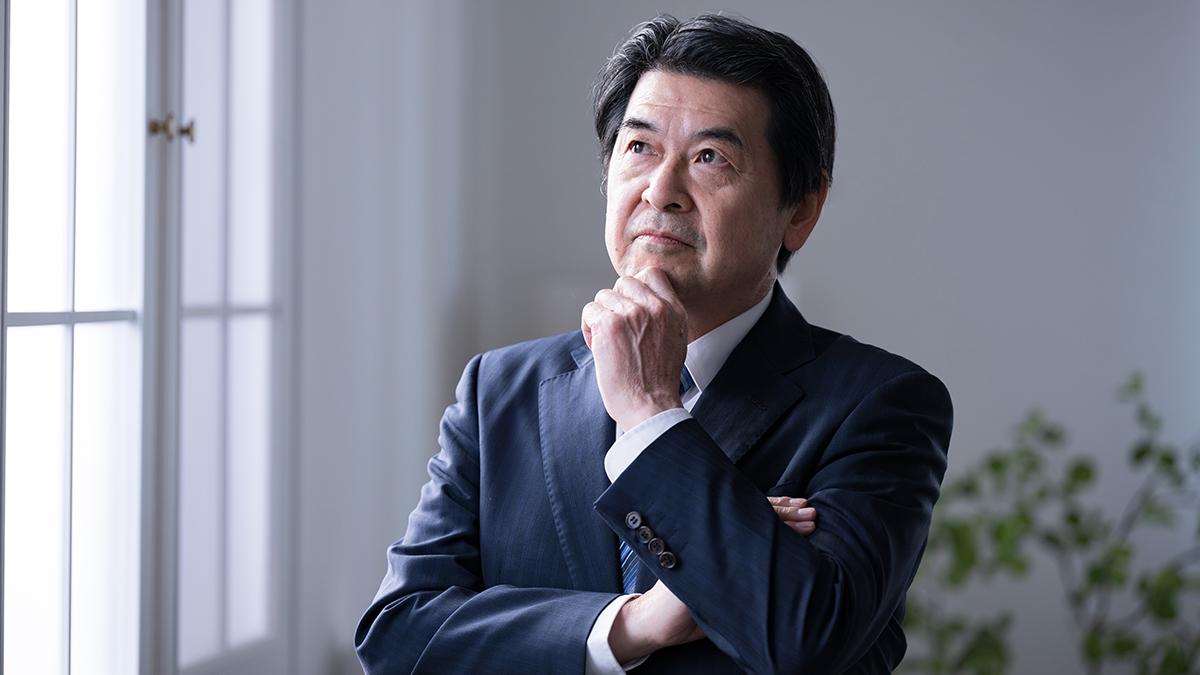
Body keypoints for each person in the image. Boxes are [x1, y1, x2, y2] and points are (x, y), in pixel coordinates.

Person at [355, 13, 952, 674]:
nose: (661, 191)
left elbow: (807, 639)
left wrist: (649, 413)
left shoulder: (884, 404)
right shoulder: (499, 388)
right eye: (639, 147)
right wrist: (631, 624)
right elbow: (397, 638)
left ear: (801, 209)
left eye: (710, 158)